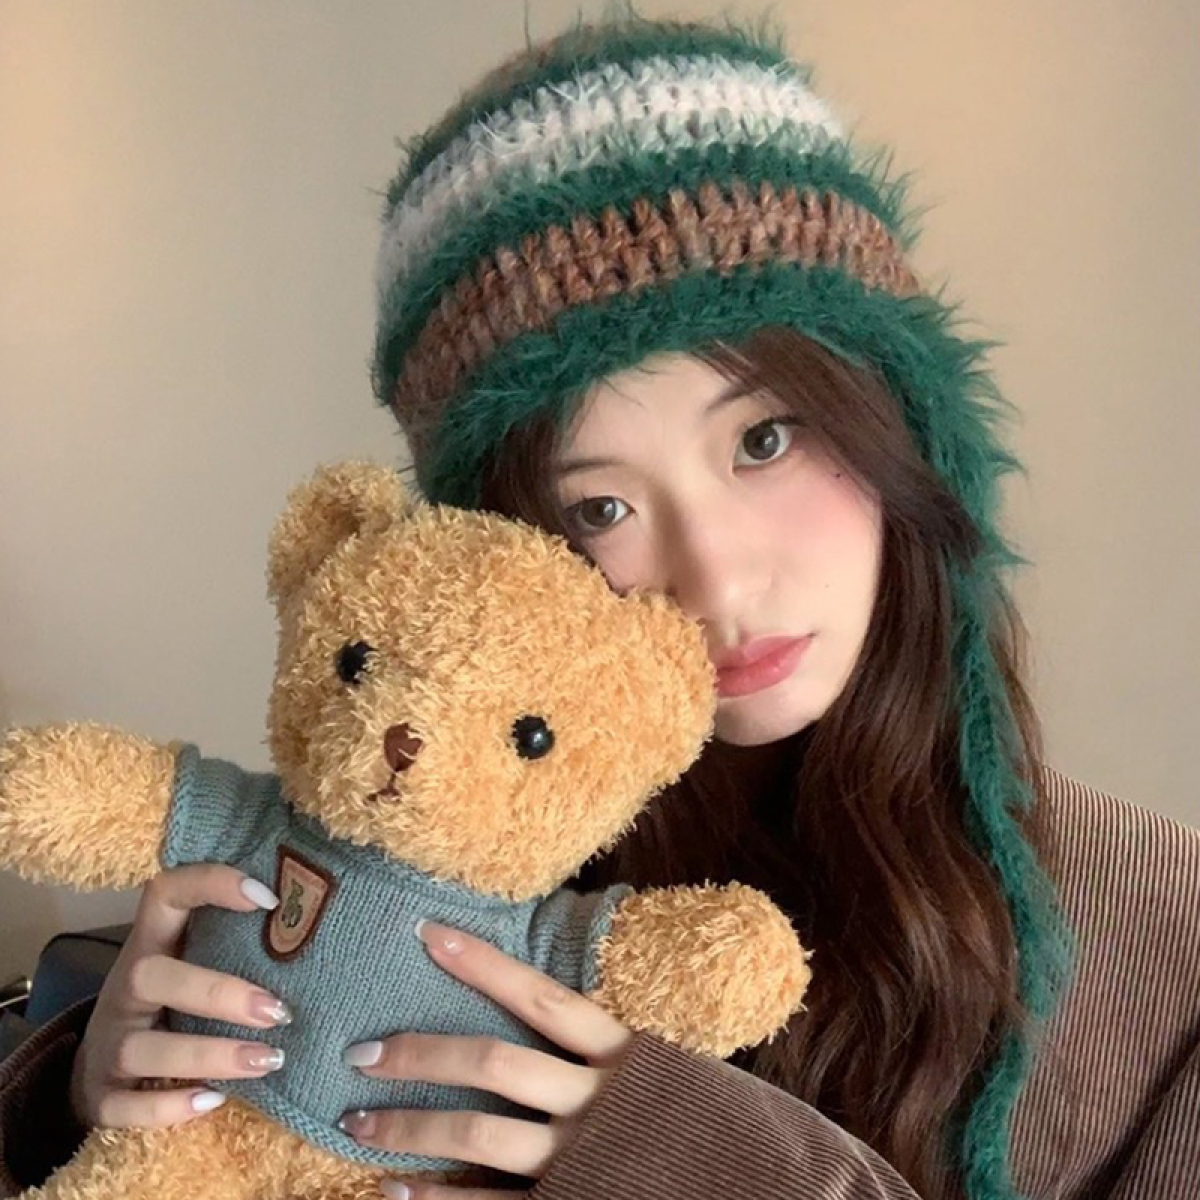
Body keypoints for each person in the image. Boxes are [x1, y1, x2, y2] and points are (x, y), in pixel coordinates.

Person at [2, 10, 1197, 1200]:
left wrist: (700, 1160)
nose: (716, 582)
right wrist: (86, 1097)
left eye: (765, 440)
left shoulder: (1168, 953)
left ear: (900, 423)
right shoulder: (450, 831)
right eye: (599, 507)